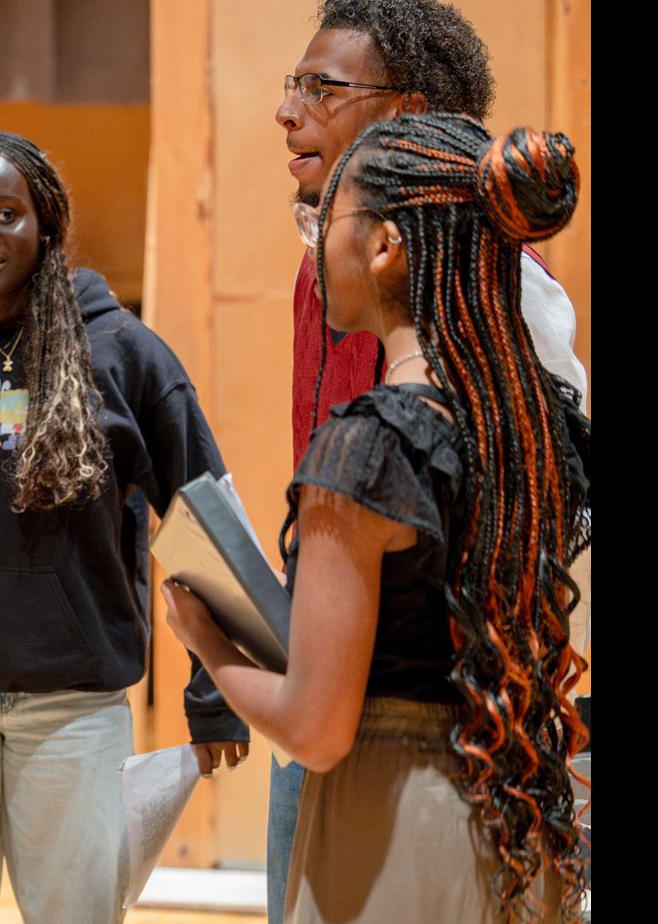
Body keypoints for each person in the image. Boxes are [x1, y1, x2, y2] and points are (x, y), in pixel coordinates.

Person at [165, 113, 591, 922]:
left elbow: (316, 729)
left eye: (326, 219)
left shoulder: (367, 449)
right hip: (518, 818)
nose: (316, 242)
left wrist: (206, 641)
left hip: (391, 820)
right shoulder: (545, 434)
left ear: (386, 244)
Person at [0, 131, 249, 923]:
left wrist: (217, 692)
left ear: (48, 222)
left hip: (71, 698)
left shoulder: (123, 351)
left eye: (5, 214)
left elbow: (204, 517)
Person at [270, 4, 590, 916]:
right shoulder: (325, 270)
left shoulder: (496, 284)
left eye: (321, 88)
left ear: (406, 109)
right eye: (292, 84)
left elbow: (552, 505)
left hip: (456, 727)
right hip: (335, 689)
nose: (291, 111)